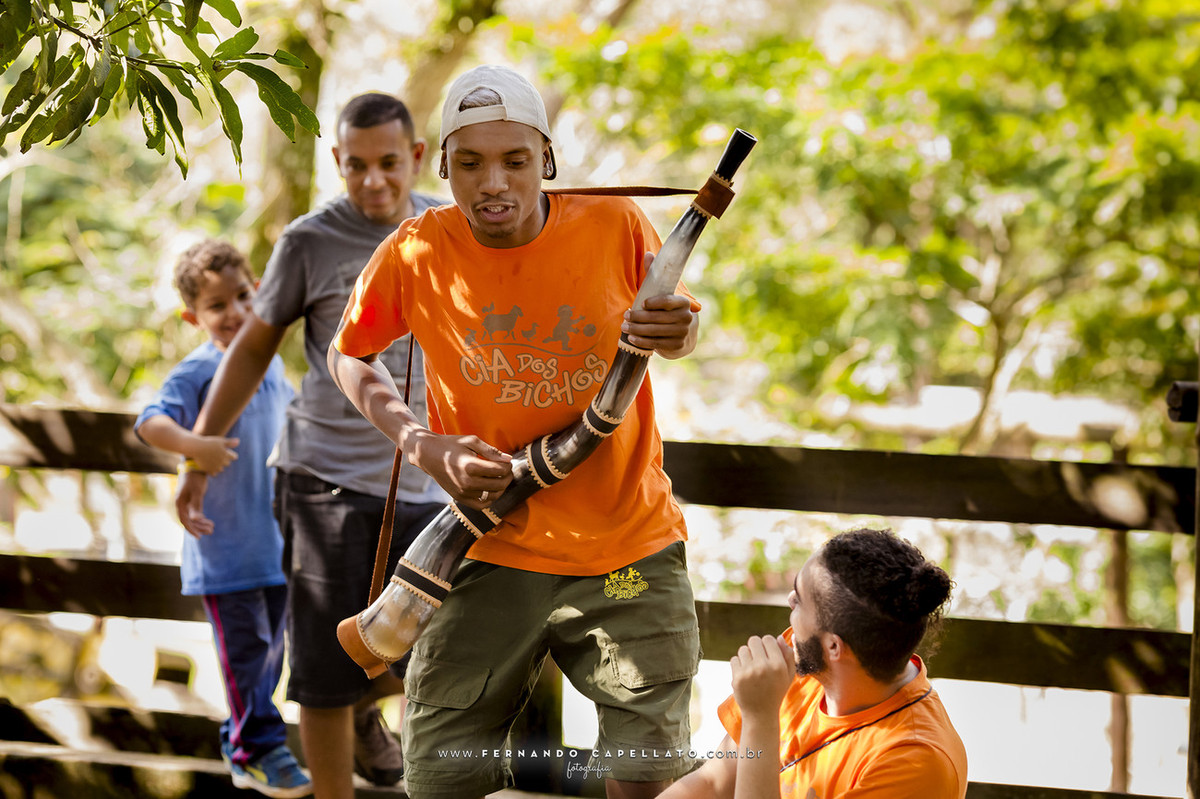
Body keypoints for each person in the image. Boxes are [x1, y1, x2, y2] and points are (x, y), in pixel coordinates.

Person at [328, 64, 704, 799]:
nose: (492, 182)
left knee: (646, 773)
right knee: (437, 772)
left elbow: (675, 323)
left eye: (515, 160)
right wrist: (418, 440)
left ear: (548, 160)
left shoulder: (614, 223)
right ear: (441, 165)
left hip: (625, 556)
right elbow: (351, 354)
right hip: (489, 547)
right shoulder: (416, 249)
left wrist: (681, 329)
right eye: (469, 162)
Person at [173, 93, 448, 799]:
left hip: (428, 484)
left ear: (416, 157)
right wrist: (200, 450)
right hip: (325, 481)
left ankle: (367, 719)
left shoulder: (449, 229)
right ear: (337, 162)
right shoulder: (309, 241)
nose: (373, 181)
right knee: (325, 668)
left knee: (428, 658)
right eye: (356, 166)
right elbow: (249, 351)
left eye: (388, 163)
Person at [135, 240, 311, 798]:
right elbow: (150, 423)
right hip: (225, 548)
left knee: (274, 651)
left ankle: (254, 742)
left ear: (259, 289)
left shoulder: (273, 361)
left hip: (276, 543)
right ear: (194, 317)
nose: (234, 312)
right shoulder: (201, 369)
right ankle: (255, 749)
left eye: (242, 295)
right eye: (217, 305)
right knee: (245, 653)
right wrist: (194, 448)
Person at [660, 528, 968, 799]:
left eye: (801, 598)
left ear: (834, 646)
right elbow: (714, 783)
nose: (790, 600)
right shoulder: (807, 665)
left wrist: (760, 717)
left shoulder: (916, 763)